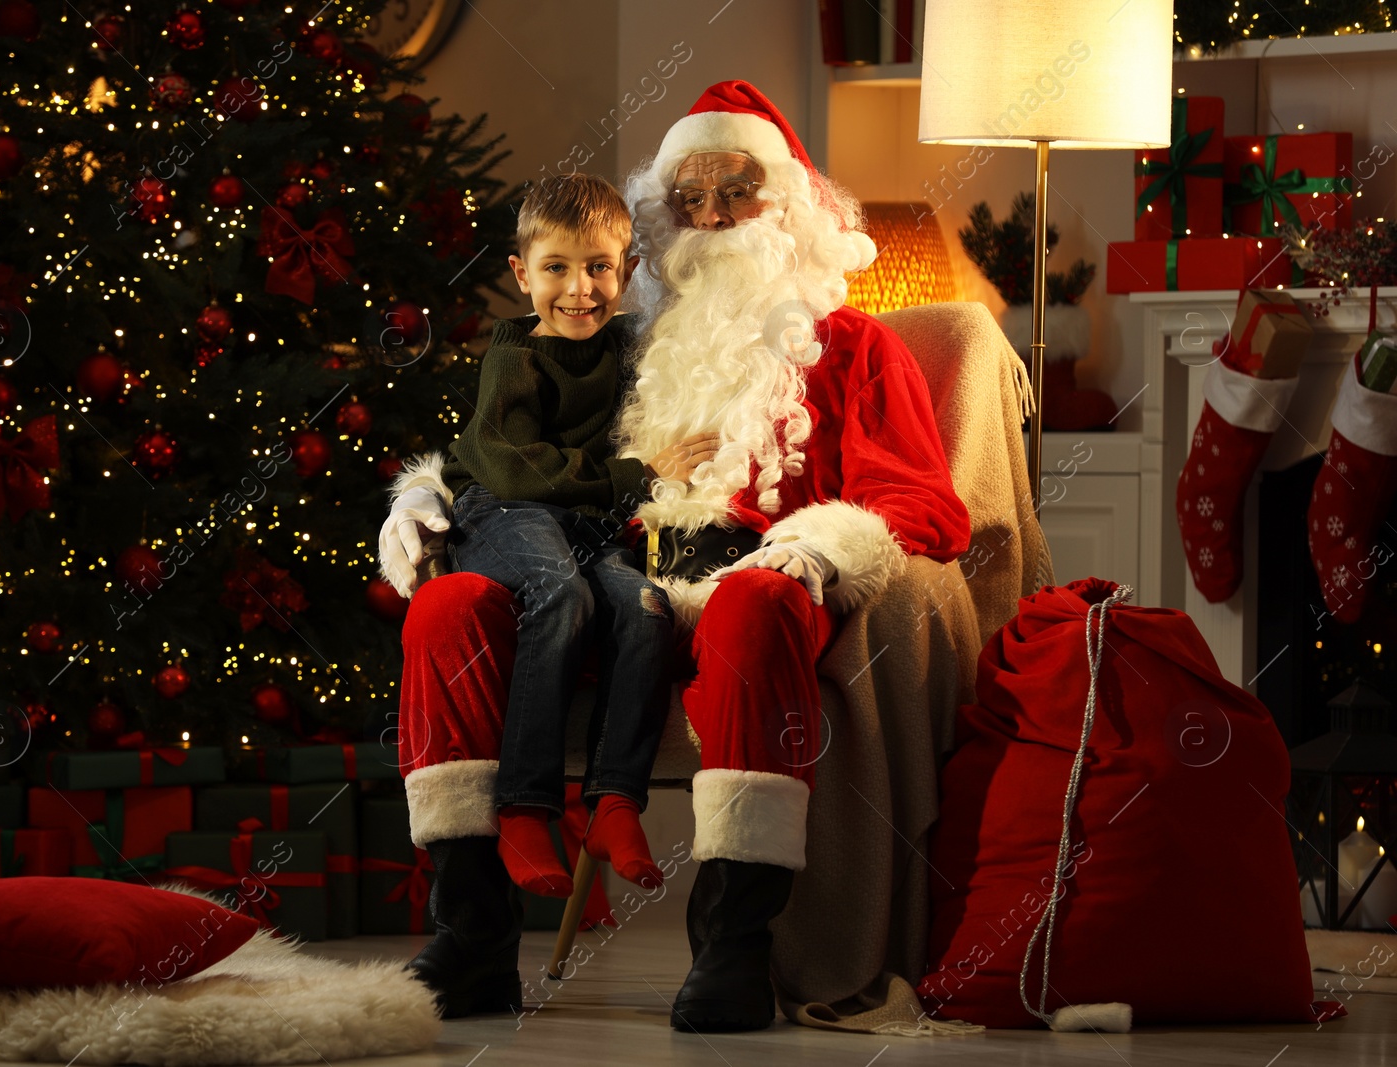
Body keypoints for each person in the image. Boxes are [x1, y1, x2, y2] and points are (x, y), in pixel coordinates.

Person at [379, 81, 971, 1031]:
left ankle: (734, 946)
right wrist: (425, 493)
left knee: (749, 604)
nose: (710, 217)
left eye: (734, 192)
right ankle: (473, 940)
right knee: (447, 608)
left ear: (787, 207)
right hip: (600, 572)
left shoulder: (853, 348)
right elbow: (514, 446)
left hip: (756, 575)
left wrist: (816, 549)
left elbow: (922, 501)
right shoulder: (617, 341)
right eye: (687, 201)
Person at [413, 173, 711, 903]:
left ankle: (613, 802)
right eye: (556, 269)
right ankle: (524, 806)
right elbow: (514, 467)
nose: (579, 289)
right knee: (559, 593)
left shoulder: (627, 349)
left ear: (628, 271)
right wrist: (633, 476)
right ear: (522, 273)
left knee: (645, 604)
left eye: (599, 267)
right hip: (500, 513)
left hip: (580, 523)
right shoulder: (513, 357)